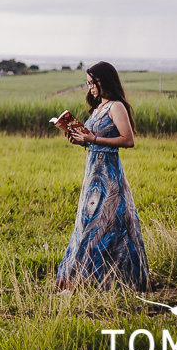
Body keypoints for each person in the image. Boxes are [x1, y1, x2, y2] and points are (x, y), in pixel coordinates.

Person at [54, 61, 151, 291]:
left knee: (106, 224)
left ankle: (114, 280)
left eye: (92, 83)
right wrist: (80, 140)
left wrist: (93, 139)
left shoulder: (116, 107)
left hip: (109, 176)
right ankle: (84, 279)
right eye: (88, 83)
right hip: (92, 175)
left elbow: (128, 140)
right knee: (88, 223)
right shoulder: (99, 107)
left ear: (104, 81)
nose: (90, 88)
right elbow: (93, 140)